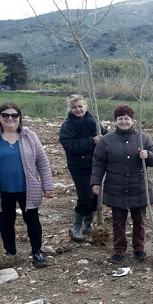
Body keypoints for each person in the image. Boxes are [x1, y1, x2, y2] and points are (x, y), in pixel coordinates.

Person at [0, 102, 54, 267]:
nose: (10, 118)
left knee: (33, 221)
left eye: (14, 115)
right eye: (5, 115)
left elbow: (42, 162)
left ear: (19, 117)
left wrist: (47, 186)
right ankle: (10, 253)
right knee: (6, 222)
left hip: (28, 188)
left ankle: (37, 252)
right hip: (2, 189)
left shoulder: (30, 136)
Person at [90, 104, 153, 263]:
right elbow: (98, 162)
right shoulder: (107, 140)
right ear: (116, 121)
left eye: (126, 118)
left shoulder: (144, 138)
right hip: (116, 187)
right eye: (120, 119)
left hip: (138, 186)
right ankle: (119, 249)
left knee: (139, 221)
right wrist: (96, 182)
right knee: (118, 222)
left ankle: (139, 248)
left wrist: (147, 155)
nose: (123, 121)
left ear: (132, 120)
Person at [58, 94, 107, 241]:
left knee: (96, 197)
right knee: (86, 197)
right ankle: (76, 227)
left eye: (80, 106)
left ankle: (88, 224)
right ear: (70, 109)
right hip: (78, 167)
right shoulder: (67, 126)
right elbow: (71, 146)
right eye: (75, 107)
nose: (78, 109)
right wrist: (92, 141)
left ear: (85, 106)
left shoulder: (93, 122)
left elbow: (105, 135)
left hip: (96, 165)